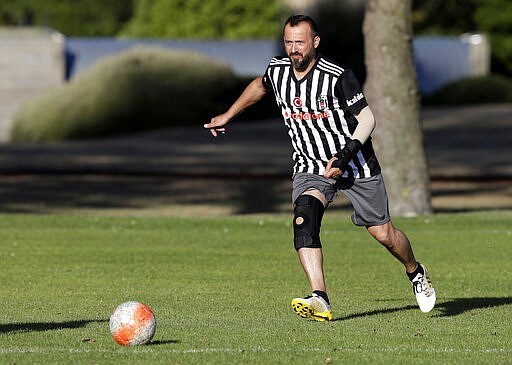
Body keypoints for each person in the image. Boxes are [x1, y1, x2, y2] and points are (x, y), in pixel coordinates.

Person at [204, 14, 436, 321]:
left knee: (383, 234)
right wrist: (228, 115)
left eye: (300, 42)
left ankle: (415, 271)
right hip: (310, 164)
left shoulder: (338, 76)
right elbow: (260, 86)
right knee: (304, 217)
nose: (293, 49)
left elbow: (368, 120)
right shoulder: (278, 70)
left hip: (355, 163)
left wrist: (343, 158)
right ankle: (320, 297)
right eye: (289, 42)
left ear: (315, 42)